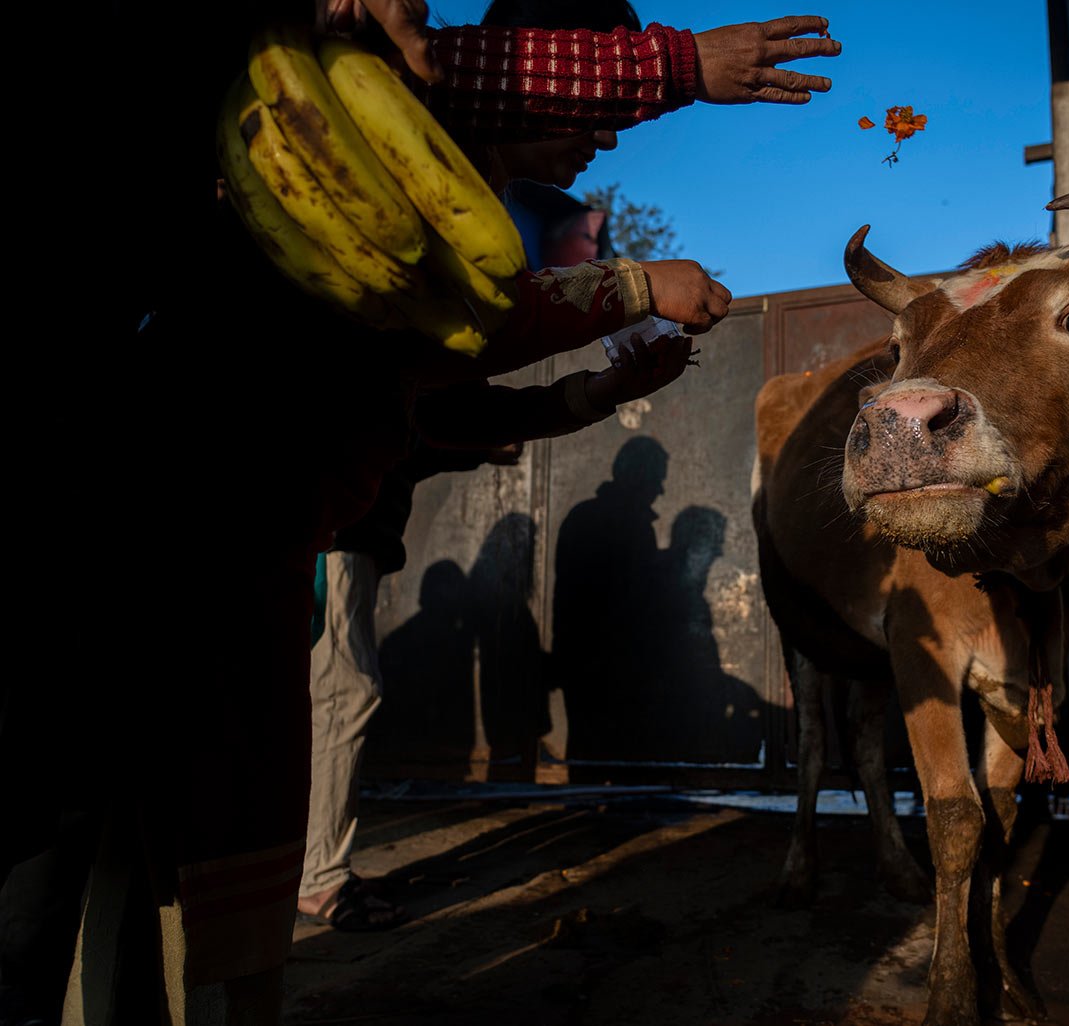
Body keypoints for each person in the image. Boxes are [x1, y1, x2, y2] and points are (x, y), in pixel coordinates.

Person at [5, 3, 842, 1022]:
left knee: (141, 859)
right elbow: (456, 300)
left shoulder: (439, 218)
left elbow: (436, 387)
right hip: (169, 540)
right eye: (579, 100)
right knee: (74, 854)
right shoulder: (323, 139)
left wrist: (595, 393)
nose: (601, 137)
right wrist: (665, 98)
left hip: (244, 549)